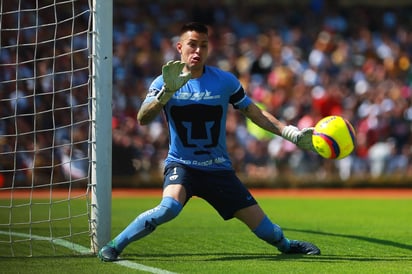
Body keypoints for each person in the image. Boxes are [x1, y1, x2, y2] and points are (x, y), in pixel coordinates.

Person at [98, 22, 320, 262]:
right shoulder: (164, 81)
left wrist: (291, 134)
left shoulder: (225, 81)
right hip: (182, 165)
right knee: (168, 208)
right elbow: (143, 118)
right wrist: (166, 93)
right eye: (192, 45)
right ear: (180, 47)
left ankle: (286, 245)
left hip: (218, 169)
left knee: (266, 230)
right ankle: (115, 245)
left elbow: (254, 113)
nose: (198, 51)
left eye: (203, 45)